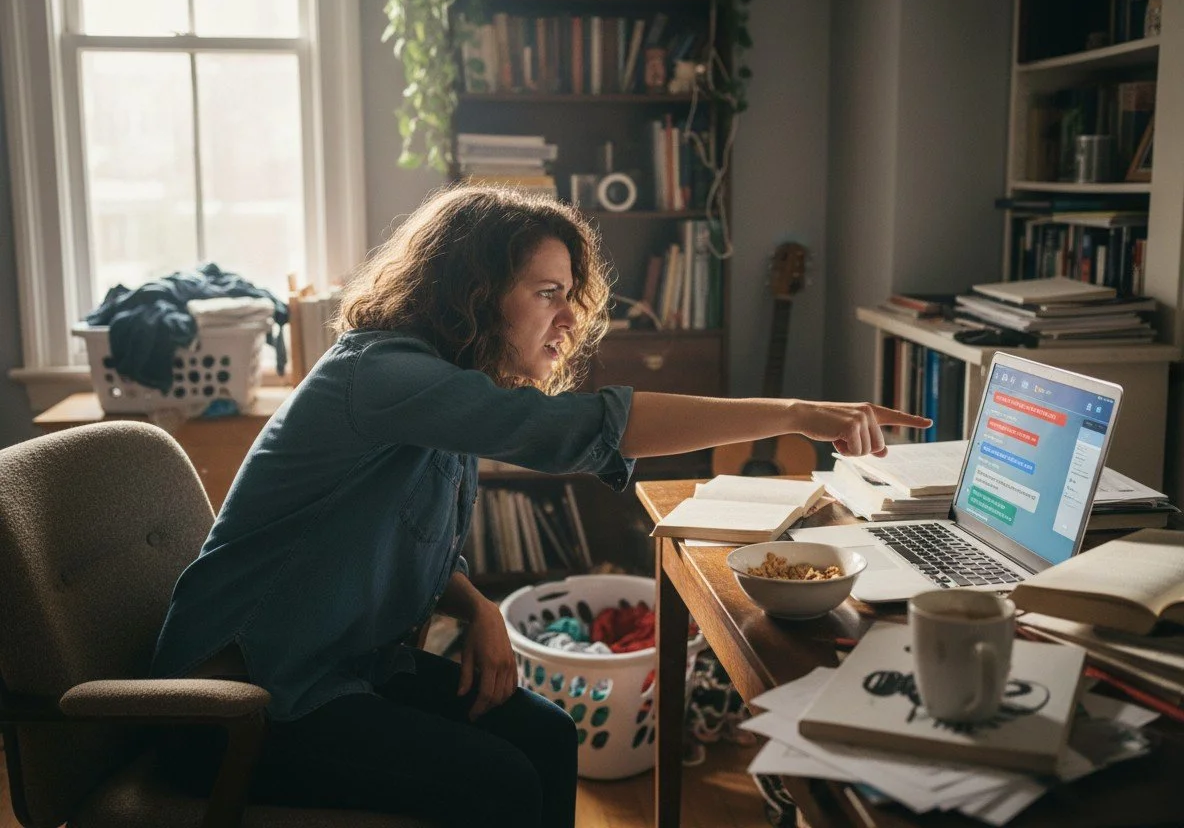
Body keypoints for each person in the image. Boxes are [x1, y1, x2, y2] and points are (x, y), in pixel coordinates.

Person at [152, 185, 930, 827]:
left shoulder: (445, 392)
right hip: (244, 707)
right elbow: (586, 427)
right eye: (547, 295)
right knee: (501, 784)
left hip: (340, 671)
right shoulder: (382, 377)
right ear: (475, 294)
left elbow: (404, 538)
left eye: (571, 297)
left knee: (549, 736)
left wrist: (478, 607)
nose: (569, 320)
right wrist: (793, 410)